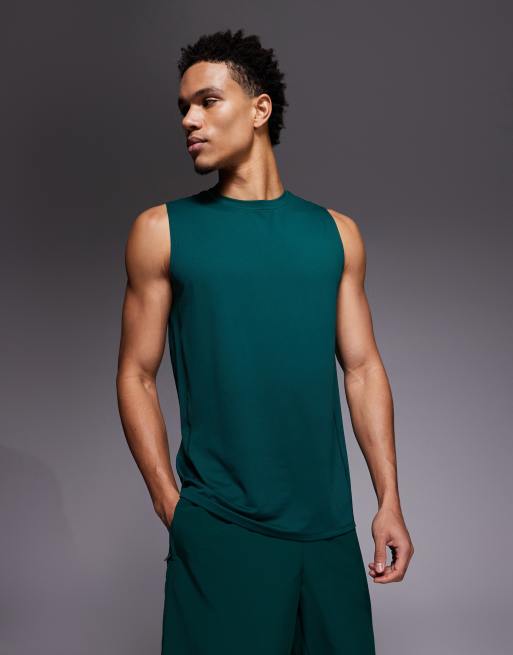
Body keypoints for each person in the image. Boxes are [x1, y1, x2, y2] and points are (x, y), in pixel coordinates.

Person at [116, 28, 414, 655]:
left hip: (328, 533)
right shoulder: (161, 231)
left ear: (259, 109)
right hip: (222, 527)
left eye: (207, 101)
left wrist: (389, 501)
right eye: (184, 108)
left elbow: (362, 369)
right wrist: (171, 505)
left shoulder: (336, 234)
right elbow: (135, 374)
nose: (189, 120)